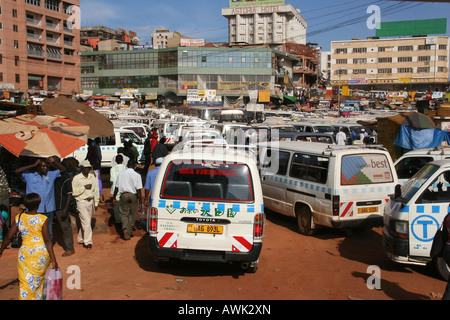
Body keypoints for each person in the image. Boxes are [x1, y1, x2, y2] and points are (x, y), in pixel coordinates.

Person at [0, 193, 58, 300]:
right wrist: (53, 259)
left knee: (25, 284)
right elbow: (47, 240)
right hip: (40, 255)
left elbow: (8, 236)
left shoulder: (19, 217)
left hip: (25, 256)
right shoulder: (42, 219)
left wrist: (1, 250)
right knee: (38, 284)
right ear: (38, 204)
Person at [14, 157, 66, 240]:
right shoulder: (29, 175)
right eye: (43, 166)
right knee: (35, 231)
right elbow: (17, 171)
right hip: (35, 210)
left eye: (46, 167)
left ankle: (47, 250)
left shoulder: (50, 174)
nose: (45, 168)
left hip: (48, 209)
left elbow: (63, 169)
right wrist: (33, 165)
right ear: (38, 167)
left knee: (49, 232)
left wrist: (54, 162)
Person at [72, 160, 99, 249]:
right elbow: (74, 192)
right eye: (85, 168)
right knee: (87, 222)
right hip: (81, 202)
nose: (87, 169)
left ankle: (80, 238)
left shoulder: (92, 177)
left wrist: (96, 202)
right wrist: (84, 187)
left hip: (90, 202)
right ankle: (88, 242)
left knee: (85, 222)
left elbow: (96, 190)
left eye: (88, 168)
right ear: (82, 168)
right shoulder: (76, 178)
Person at [113, 159, 143, 240]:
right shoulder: (137, 175)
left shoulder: (121, 174)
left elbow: (117, 187)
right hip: (133, 195)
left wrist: (114, 197)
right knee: (132, 213)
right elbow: (139, 190)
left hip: (124, 195)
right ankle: (129, 230)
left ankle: (125, 228)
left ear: (127, 165)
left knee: (124, 213)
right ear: (134, 166)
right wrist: (140, 202)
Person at [54, 157, 75, 257]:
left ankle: (70, 248)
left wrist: (66, 208)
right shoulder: (52, 175)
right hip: (52, 206)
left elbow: (69, 193)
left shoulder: (64, 176)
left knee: (65, 227)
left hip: (61, 206)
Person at [110, 155, 127, 224]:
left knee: (116, 205)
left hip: (115, 189)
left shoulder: (112, 169)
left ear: (116, 161)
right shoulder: (126, 168)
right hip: (124, 188)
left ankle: (118, 220)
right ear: (122, 160)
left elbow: (111, 180)